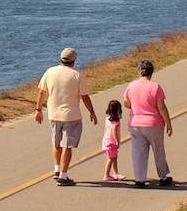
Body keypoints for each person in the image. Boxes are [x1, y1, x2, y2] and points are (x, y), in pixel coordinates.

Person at [35, 47, 97, 185]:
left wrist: (38, 109)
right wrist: (92, 112)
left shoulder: (50, 72)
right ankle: (63, 175)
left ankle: (57, 169)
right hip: (71, 115)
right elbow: (85, 97)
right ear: (74, 61)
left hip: (53, 114)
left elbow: (41, 92)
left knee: (56, 143)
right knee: (66, 145)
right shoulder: (77, 75)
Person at [123, 59, 173, 188]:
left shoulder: (131, 86)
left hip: (135, 124)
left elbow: (126, 103)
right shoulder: (155, 87)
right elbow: (161, 107)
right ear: (151, 73)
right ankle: (162, 176)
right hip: (154, 124)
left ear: (139, 72)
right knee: (158, 150)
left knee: (138, 151)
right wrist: (168, 123)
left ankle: (139, 179)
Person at [101, 100, 126, 181]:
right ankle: (106, 174)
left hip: (106, 141)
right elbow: (114, 131)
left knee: (114, 157)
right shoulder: (116, 122)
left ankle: (116, 173)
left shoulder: (108, 119)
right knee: (111, 158)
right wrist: (117, 141)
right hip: (111, 142)